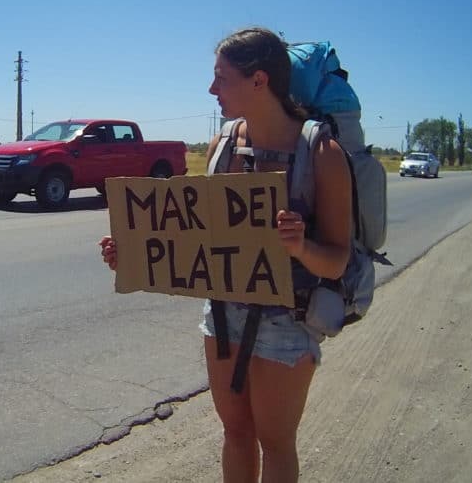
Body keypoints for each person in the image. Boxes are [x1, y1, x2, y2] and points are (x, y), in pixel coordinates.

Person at [99, 27, 352, 483]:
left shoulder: (322, 153)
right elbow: (198, 234)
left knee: (275, 443)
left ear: (259, 81)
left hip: (288, 322)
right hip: (222, 316)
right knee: (235, 432)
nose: (212, 89)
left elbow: (336, 261)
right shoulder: (220, 148)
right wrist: (134, 251)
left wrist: (300, 246)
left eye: (221, 78)